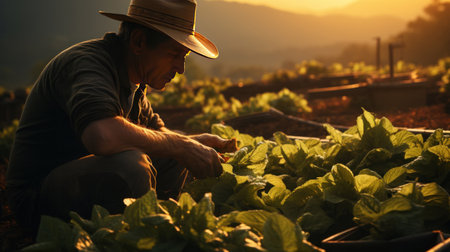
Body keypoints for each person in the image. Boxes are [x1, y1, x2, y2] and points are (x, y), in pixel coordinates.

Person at [6, 0, 236, 234]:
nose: (180, 68)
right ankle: (137, 237)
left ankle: (158, 227)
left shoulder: (134, 83)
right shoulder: (88, 63)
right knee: (131, 165)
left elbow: (160, 136)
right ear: (138, 42)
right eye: (174, 54)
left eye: (184, 57)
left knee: (175, 154)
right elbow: (102, 136)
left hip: (81, 181)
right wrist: (181, 145)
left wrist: (195, 143)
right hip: (37, 200)